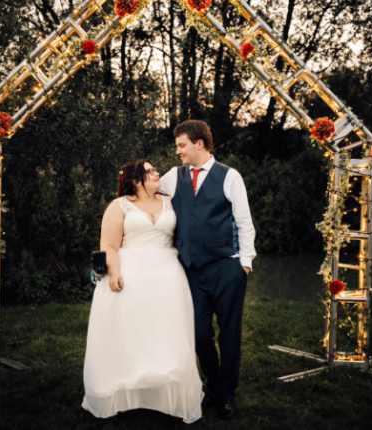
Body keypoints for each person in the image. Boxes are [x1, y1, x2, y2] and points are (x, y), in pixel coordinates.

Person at [82, 159, 203, 424]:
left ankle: (165, 387)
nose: (156, 173)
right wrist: (114, 273)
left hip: (168, 274)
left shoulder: (170, 202)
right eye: (150, 171)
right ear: (135, 180)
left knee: (165, 332)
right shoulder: (119, 206)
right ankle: (123, 389)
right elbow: (109, 246)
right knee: (131, 333)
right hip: (131, 273)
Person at [158, 120, 257, 419]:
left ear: (200, 144)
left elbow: (244, 221)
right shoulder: (173, 177)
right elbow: (146, 194)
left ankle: (226, 395)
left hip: (228, 266)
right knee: (200, 335)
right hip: (191, 269)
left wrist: (245, 263)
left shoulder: (230, 176)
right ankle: (213, 385)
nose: (178, 152)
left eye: (182, 145)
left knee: (229, 334)